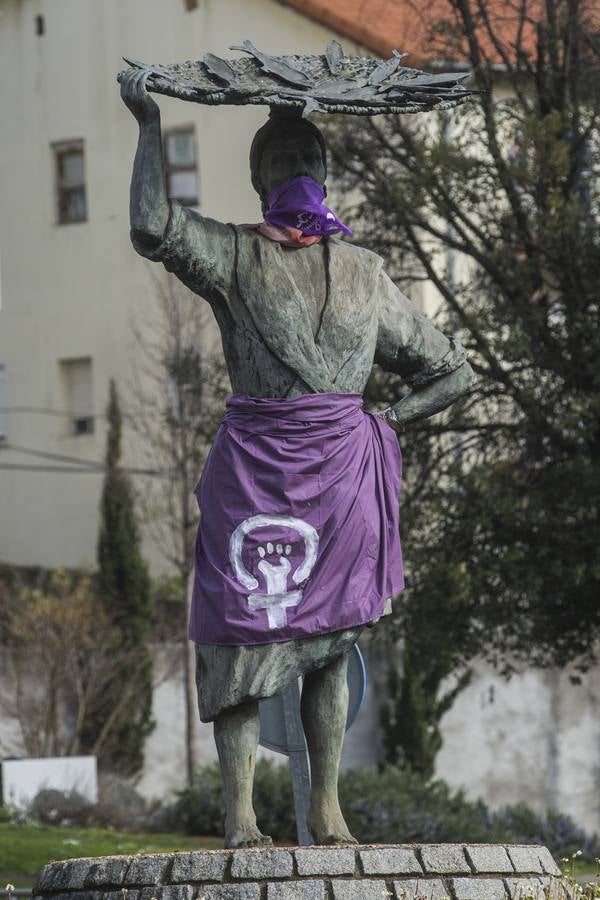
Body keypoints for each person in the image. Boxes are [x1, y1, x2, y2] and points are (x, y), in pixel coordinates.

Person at [120, 68, 475, 848]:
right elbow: (152, 226)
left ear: (324, 172)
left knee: (331, 645)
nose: (294, 174)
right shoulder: (234, 257)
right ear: (256, 180)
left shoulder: (366, 273)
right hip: (256, 473)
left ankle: (326, 807)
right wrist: (148, 125)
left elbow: (454, 370)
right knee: (242, 638)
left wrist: (386, 419)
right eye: (279, 163)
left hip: (342, 477)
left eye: (303, 160)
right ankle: (240, 812)